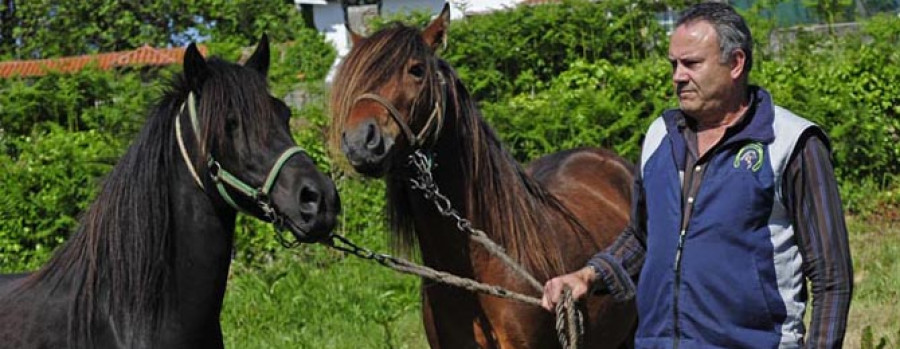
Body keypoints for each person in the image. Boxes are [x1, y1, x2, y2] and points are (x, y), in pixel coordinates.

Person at [541, 2, 853, 348]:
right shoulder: (660, 135)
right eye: (674, 64)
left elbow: (831, 277)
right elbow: (643, 237)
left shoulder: (792, 143)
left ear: (736, 63)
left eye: (691, 64)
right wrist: (588, 275)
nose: (678, 76)